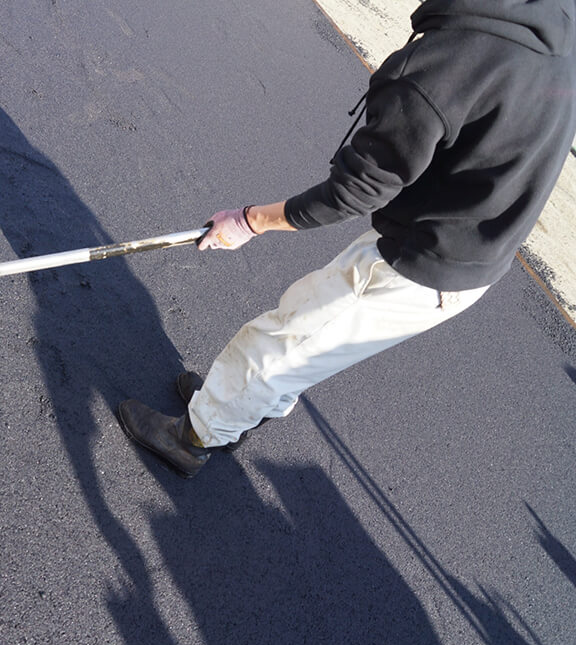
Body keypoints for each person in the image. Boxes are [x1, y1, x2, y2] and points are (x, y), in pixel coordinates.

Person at [118, 0, 576, 478]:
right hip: (471, 241)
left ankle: (194, 437)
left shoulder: (442, 69)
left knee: (278, 345)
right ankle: (232, 409)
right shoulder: (553, 21)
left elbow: (354, 190)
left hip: (420, 264)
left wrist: (248, 222)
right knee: (307, 340)